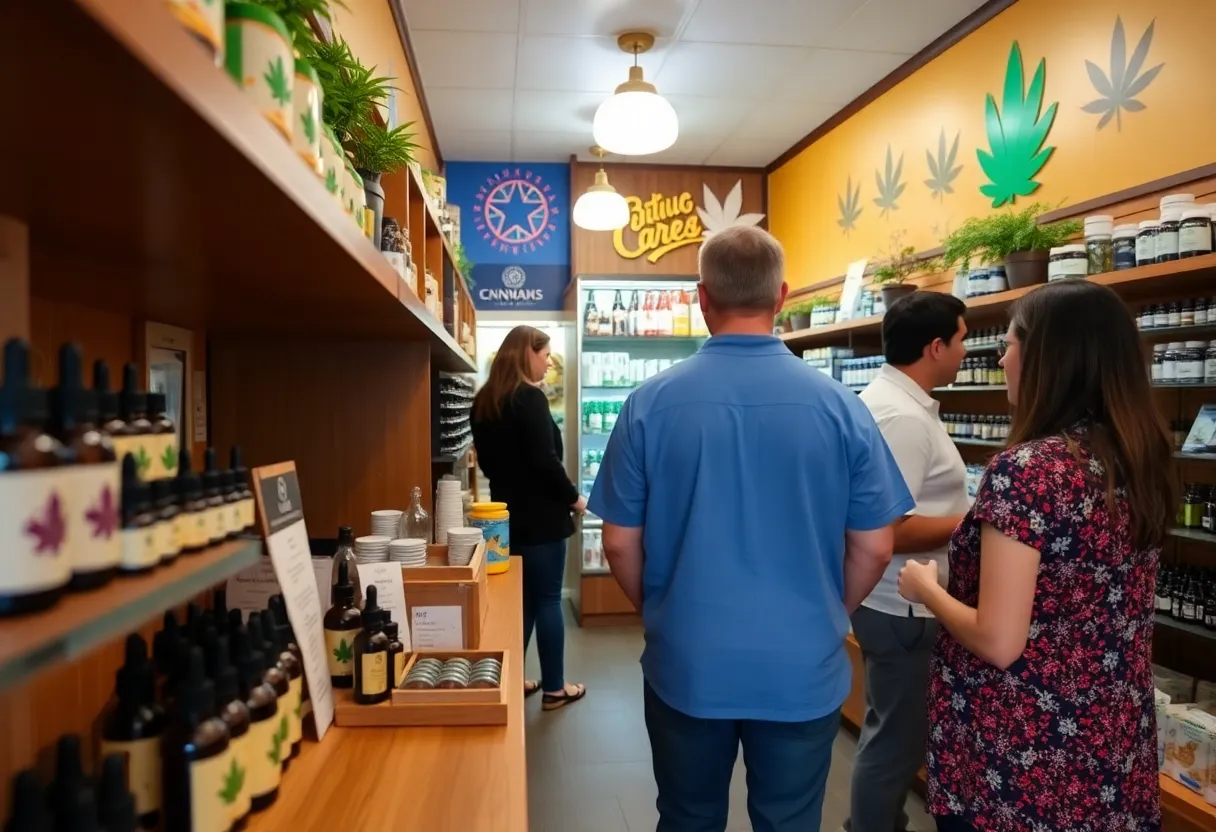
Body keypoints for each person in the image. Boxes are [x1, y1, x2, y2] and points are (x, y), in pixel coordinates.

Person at [589, 226, 913, 832]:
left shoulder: (648, 405)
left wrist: (660, 606)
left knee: (687, 816)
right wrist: (829, 610)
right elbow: (875, 544)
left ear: (701, 297)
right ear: (782, 295)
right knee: (789, 821)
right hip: (802, 663)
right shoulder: (842, 407)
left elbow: (618, 540)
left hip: (687, 659)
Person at [898, 280, 1172, 831]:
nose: (1001, 359)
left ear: (1049, 356)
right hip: (1110, 744)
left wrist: (926, 589)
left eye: (1010, 343)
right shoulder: (1139, 457)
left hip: (1021, 752)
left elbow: (1000, 641)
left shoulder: (1027, 472)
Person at [848, 292, 971, 832]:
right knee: (896, 743)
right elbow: (886, 527)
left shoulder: (892, 402)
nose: (968, 350)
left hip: (897, 601)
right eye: (964, 338)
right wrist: (976, 522)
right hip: (902, 606)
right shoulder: (901, 416)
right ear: (935, 346)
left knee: (890, 732)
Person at [471, 325, 587, 710]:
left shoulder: (485, 401)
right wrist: (574, 498)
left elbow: (488, 466)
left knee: (520, 604)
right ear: (527, 354)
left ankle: (510, 677)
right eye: (545, 353)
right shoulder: (530, 400)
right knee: (549, 599)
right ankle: (555, 687)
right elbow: (545, 461)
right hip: (544, 519)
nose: (549, 360)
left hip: (505, 521)